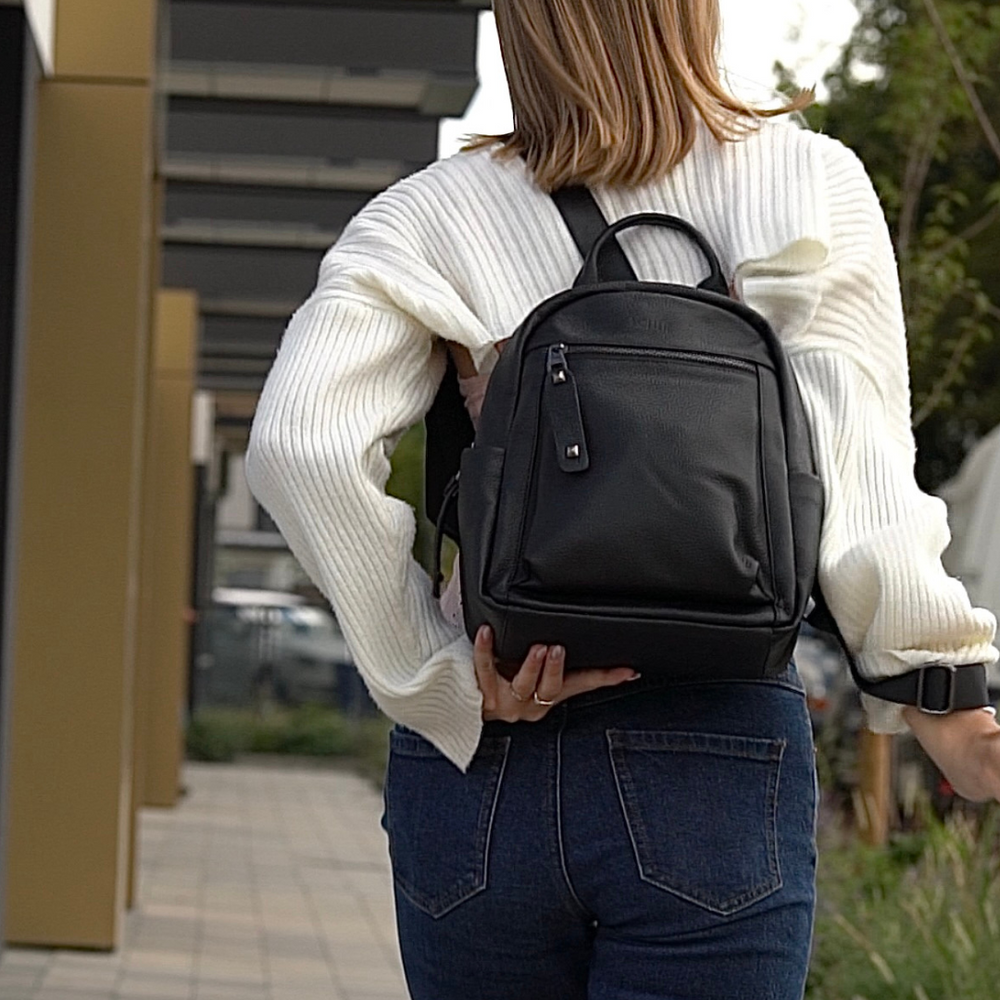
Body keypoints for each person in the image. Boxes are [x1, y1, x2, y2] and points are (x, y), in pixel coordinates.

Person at [245, 1, 1000, 996]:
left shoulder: (428, 214)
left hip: (494, 738)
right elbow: (861, 475)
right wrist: (940, 689)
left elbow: (299, 444)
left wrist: (437, 680)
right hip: (717, 743)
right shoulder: (807, 180)